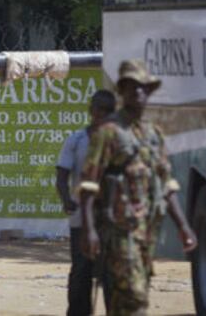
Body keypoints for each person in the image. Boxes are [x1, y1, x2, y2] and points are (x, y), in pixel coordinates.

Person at [79, 60, 197, 315]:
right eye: (132, 88)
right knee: (135, 296)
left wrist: (184, 227)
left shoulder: (153, 134)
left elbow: (166, 184)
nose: (139, 94)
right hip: (120, 231)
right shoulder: (108, 133)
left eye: (144, 88)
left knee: (127, 298)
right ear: (122, 92)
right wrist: (89, 230)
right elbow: (89, 185)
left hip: (147, 231)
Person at [56, 90, 116, 316]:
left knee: (111, 274)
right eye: (99, 110)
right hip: (81, 217)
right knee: (82, 270)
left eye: (108, 111)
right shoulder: (77, 140)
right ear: (91, 111)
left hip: (111, 218)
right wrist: (66, 200)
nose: (103, 115)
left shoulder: (118, 143)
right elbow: (62, 175)